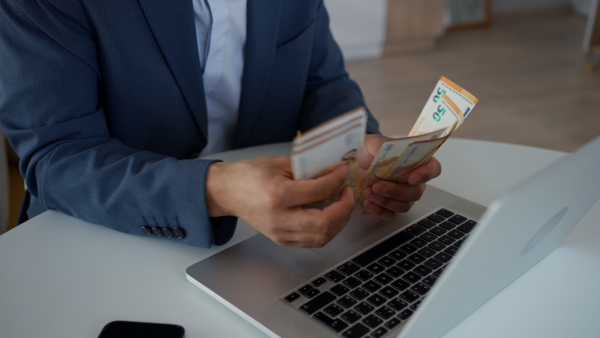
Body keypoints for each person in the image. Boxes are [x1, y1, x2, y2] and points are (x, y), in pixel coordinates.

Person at [0, 0, 441, 248]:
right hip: (99, 238)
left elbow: (321, 81)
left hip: (268, 249)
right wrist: (213, 189)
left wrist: (359, 145)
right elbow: (58, 157)